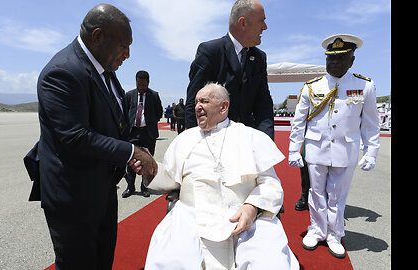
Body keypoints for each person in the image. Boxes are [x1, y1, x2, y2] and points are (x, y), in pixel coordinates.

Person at [34, 4, 157, 269]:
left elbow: (113, 124)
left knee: (103, 261)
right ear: (98, 37)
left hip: (101, 190)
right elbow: (76, 136)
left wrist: (132, 148)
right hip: (73, 198)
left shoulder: (107, 73)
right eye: (124, 45)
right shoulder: (63, 72)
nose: (128, 54)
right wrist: (129, 152)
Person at [143, 83, 299, 270]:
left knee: (270, 263)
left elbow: (270, 184)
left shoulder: (250, 137)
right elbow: (170, 179)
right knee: (171, 261)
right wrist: (150, 168)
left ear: (223, 107)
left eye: (204, 101)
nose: (197, 106)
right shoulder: (184, 139)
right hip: (191, 216)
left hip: (245, 218)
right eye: (196, 102)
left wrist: (253, 207)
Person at [288, 34, 380, 259]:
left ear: (352, 60)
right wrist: (293, 149)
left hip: (345, 150)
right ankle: (317, 230)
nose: (334, 63)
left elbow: (371, 123)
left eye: (341, 58)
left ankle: (335, 234)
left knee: (338, 195)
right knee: (316, 192)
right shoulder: (312, 86)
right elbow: (299, 121)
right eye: (331, 59)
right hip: (316, 149)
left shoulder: (364, 86)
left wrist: (371, 151)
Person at [185, 0, 275, 140]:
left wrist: (266, 143)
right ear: (243, 22)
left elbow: (263, 104)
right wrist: (196, 143)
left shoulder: (259, 58)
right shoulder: (210, 52)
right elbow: (193, 103)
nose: (265, 27)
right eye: (261, 21)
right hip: (213, 141)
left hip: (245, 142)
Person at [122, 70, 163, 198]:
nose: (141, 88)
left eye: (143, 85)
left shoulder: (154, 95)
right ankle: (130, 186)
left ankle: (144, 187)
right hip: (132, 133)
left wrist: (149, 122)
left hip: (148, 133)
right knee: (131, 160)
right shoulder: (129, 95)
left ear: (148, 83)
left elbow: (159, 112)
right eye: (139, 85)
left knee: (147, 161)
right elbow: (124, 112)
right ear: (136, 82)